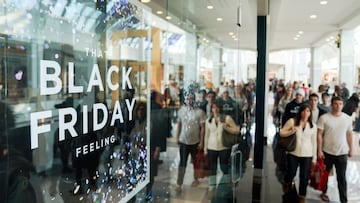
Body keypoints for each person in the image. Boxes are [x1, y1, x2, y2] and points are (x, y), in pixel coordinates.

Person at [317, 96, 353, 203]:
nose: (338, 106)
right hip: (327, 152)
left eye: (340, 104)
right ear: (332, 104)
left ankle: (343, 199)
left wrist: (351, 149)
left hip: (342, 153)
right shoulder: (324, 118)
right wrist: (319, 150)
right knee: (325, 175)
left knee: (341, 178)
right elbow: (319, 134)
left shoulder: (347, 118)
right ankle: (324, 193)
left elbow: (349, 134)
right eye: (336, 104)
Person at [280, 104, 317, 203]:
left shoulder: (313, 126)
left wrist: (314, 158)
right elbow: (282, 132)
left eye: (308, 111)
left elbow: (314, 142)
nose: (305, 113)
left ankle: (302, 195)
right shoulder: (293, 121)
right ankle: (287, 182)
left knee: (304, 177)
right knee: (291, 172)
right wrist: (291, 131)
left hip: (307, 154)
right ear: (300, 112)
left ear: (310, 113)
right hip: (293, 152)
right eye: (303, 111)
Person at [204, 101, 239, 199]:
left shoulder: (226, 118)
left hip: (224, 147)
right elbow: (206, 136)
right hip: (212, 147)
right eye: (214, 107)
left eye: (217, 107)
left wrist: (227, 127)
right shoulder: (209, 120)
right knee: (213, 170)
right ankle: (212, 188)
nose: (215, 109)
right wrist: (205, 149)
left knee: (224, 168)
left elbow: (236, 130)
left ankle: (226, 186)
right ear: (211, 109)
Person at [175, 88, 206, 193]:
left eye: (191, 99)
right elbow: (179, 124)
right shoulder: (181, 111)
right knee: (182, 163)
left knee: (196, 162)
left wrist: (201, 142)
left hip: (195, 142)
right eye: (187, 99)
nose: (189, 101)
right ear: (185, 100)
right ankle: (179, 183)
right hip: (184, 141)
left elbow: (203, 128)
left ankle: (196, 179)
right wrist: (177, 136)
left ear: (194, 100)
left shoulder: (199, 112)